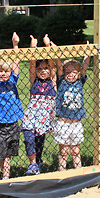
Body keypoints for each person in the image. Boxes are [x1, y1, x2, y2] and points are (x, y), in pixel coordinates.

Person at [0, 32, 24, 180]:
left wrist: (15, 45)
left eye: (6, 71)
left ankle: (6, 178)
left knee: (8, 154)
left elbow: (16, 64)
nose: (3, 74)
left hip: (13, 123)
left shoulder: (12, 81)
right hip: (0, 125)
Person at [21, 34, 58, 175]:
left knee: (39, 142)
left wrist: (47, 46)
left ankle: (38, 162)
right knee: (28, 138)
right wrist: (32, 48)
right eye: (40, 69)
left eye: (45, 68)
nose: (43, 71)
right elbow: (31, 64)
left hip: (44, 118)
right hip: (31, 116)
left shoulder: (52, 82)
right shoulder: (34, 81)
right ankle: (32, 163)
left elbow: (52, 65)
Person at [53, 42, 91, 171]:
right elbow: (58, 65)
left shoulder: (80, 82)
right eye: (67, 71)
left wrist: (88, 53)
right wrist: (55, 51)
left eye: (74, 71)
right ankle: (62, 173)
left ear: (79, 73)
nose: (70, 74)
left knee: (75, 151)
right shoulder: (61, 82)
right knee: (64, 152)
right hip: (63, 123)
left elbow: (85, 66)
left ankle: (78, 172)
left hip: (76, 123)